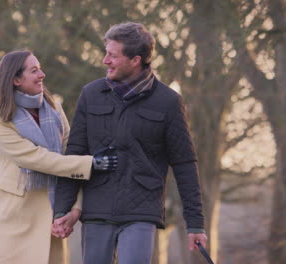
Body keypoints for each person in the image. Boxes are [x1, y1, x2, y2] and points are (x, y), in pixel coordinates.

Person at [53, 22, 208, 264]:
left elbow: (185, 164)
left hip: (142, 211)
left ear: (136, 60)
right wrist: (62, 209)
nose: (105, 60)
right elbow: (74, 153)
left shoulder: (168, 102)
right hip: (97, 208)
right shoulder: (90, 94)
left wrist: (195, 224)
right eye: (106, 53)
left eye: (113, 55)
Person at [0, 50, 117, 264]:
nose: (42, 74)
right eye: (34, 70)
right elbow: (40, 160)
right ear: (16, 79)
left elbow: (70, 154)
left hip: (52, 214)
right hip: (13, 220)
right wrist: (91, 163)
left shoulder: (54, 109)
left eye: (41, 68)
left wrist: (75, 208)